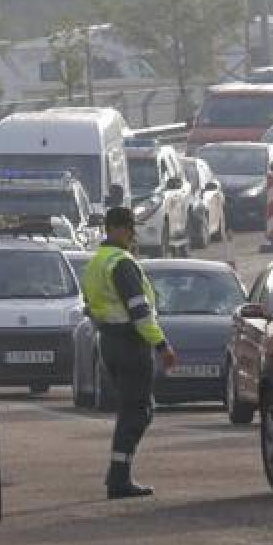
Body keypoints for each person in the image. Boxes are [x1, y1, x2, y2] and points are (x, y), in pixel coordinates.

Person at [82, 207, 178, 499]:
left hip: (108, 341)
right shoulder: (122, 263)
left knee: (130, 409)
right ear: (119, 229)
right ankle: (119, 479)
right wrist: (162, 345)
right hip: (130, 343)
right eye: (131, 229)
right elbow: (140, 311)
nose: (134, 235)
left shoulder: (96, 263)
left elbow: (90, 305)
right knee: (137, 411)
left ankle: (117, 474)